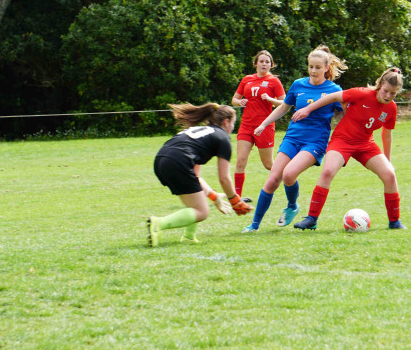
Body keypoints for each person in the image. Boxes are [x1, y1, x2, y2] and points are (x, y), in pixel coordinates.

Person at [241, 45, 347, 233]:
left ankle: (292, 206)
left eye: (317, 67)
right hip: (292, 137)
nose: (313, 71)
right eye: (310, 67)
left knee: (288, 175)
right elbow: (284, 107)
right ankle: (254, 225)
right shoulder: (298, 84)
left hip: (315, 142)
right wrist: (264, 124)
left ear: (326, 67)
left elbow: (346, 115)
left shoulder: (334, 89)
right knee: (273, 178)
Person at [291, 67, 407, 231]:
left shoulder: (391, 108)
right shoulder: (362, 93)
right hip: (342, 140)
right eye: (386, 91)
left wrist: (388, 161)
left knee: (389, 174)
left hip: (366, 144)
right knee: (328, 171)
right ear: (380, 85)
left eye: (393, 94)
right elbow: (334, 96)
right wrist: (307, 109)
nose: (388, 96)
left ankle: (394, 222)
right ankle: (311, 219)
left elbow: (386, 134)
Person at [147, 102, 253, 246]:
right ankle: (158, 223)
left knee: (196, 202)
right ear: (226, 121)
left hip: (161, 161)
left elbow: (196, 177)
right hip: (178, 162)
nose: (233, 128)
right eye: (234, 123)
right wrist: (235, 201)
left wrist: (214, 196)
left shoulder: (201, 131)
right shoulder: (222, 138)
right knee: (202, 212)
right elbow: (224, 178)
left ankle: (189, 237)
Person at [231, 50, 286, 201]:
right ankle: (237, 198)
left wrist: (270, 99)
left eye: (267, 62)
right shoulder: (247, 79)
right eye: (261, 61)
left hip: (265, 126)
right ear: (255, 64)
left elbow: (284, 102)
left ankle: (289, 181)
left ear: (271, 65)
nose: (264, 64)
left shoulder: (274, 81)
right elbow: (234, 99)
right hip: (246, 126)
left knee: (268, 164)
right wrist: (239, 102)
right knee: (241, 161)